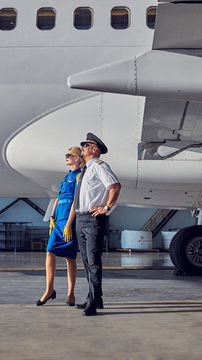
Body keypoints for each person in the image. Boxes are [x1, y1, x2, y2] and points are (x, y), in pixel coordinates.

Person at [64, 133, 121, 316]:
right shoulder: (85, 170)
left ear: (94, 149)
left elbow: (115, 186)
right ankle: (94, 298)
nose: (82, 148)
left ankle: (94, 302)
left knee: (94, 262)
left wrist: (106, 207)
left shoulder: (99, 167)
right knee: (88, 262)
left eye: (85, 145)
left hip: (92, 219)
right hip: (81, 219)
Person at [36, 147, 85, 307]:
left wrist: (69, 225)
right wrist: (51, 216)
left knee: (69, 258)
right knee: (50, 252)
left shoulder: (79, 176)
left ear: (77, 158)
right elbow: (59, 197)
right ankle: (49, 290)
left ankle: (71, 294)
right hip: (58, 221)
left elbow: (76, 202)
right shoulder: (66, 176)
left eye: (69, 155)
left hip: (69, 221)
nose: (66, 157)